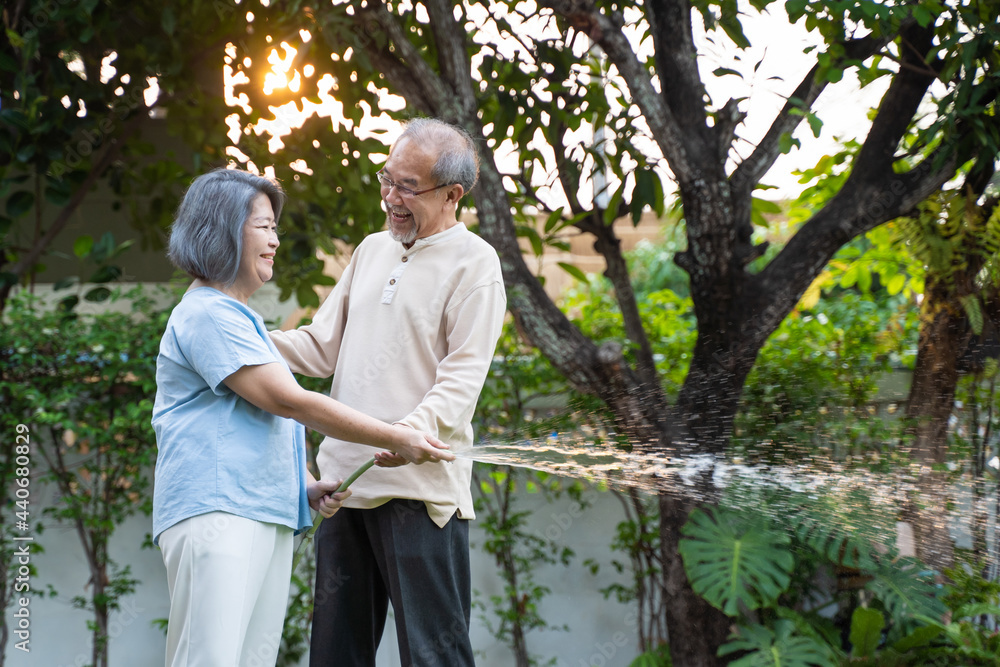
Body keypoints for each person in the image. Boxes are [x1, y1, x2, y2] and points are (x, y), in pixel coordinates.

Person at [151, 167, 453, 667]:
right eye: (263, 226)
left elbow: (254, 424)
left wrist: (303, 485)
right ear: (223, 230)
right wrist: (397, 436)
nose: (274, 240)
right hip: (218, 513)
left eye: (275, 227)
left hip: (262, 512)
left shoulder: (242, 320)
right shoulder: (207, 313)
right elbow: (288, 401)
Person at [270, 117, 506, 666]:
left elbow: (462, 378)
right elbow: (318, 348)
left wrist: (407, 435)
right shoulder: (372, 249)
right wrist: (239, 336)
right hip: (343, 486)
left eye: (407, 187)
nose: (390, 199)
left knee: (433, 658)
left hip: (419, 493)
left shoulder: (477, 264)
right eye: (386, 179)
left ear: (453, 194)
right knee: (335, 655)